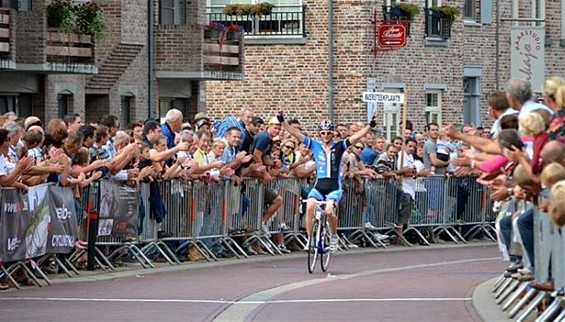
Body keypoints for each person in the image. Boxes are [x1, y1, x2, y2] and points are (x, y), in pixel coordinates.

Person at [279, 111, 377, 252]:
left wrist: (370, 126)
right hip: (319, 185)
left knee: (330, 211)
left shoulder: (340, 146)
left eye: (329, 133)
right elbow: (295, 133)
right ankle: (310, 239)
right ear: (319, 134)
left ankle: (333, 235)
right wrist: (283, 121)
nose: (326, 136)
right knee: (310, 207)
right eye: (323, 133)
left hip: (334, 186)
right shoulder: (314, 145)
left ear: (333, 134)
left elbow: (357, 136)